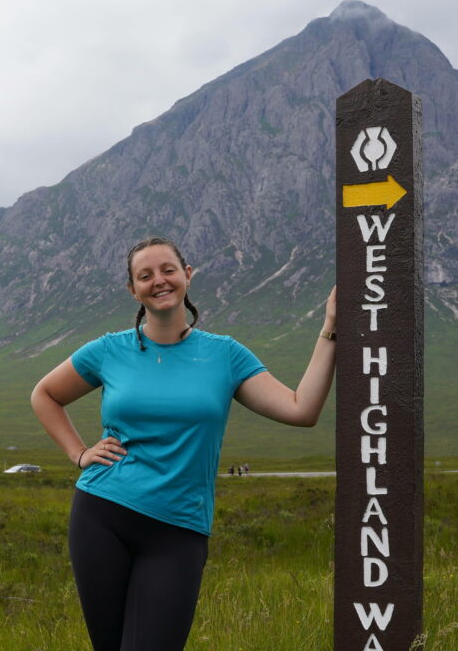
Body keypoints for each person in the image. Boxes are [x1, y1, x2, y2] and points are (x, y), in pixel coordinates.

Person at [29, 236, 337, 650]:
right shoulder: (109, 350)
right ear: (132, 289)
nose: (159, 281)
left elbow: (302, 410)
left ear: (187, 276)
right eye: (145, 275)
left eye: (168, 270)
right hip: (102, 517)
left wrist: (330, 330)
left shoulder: (225, 355)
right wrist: (79, 453)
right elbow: (45, 394)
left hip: (178, 530)